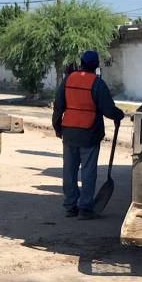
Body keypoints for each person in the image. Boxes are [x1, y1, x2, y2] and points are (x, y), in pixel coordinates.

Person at [52, 50, 124, 220]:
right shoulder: (97, 83)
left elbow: (58, 106)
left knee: (69, 170)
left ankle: (70, 206)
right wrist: (118, 115)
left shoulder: (68, 80)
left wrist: (57, 127)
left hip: (69, 132)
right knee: (88, 171)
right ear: (96, 65)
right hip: (89, 133)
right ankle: (85, 208)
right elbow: (108, 109)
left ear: (81, 63)